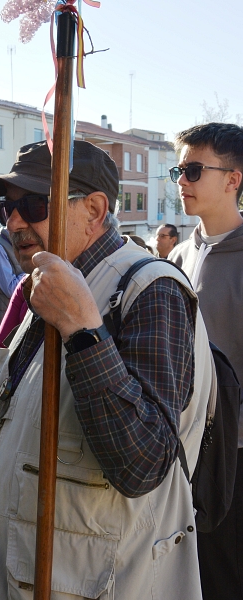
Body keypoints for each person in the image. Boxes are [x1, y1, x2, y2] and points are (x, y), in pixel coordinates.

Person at [0, 140, 213, 599]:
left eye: (34, 204)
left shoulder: (149, 289)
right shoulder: (46, 283)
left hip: (102, 581)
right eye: (6, 208)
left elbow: (142, 465)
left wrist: (83, 330)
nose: (15, 222)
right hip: (28, 570)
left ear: (95, 209)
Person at [169, 122, 243, 599]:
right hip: (180, 453)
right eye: (179, 169)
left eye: (194, 170)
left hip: (235, 458)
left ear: (234, 179)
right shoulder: (175, 256)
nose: (182, 181)